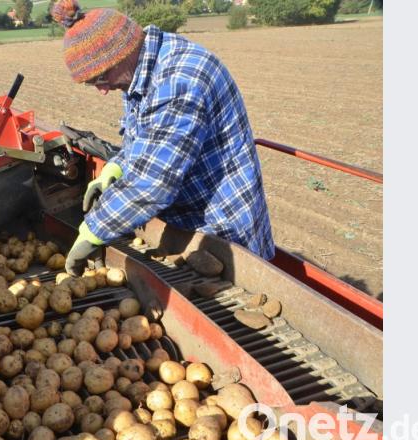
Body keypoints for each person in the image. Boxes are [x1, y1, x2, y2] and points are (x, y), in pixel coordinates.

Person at [50, 0, 276, 275]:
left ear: (120, 53)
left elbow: (153, 182)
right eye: (93, 83)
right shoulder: (143, 67)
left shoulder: (181, 80)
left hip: (222, 227)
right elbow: (145, 138)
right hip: (188, 219)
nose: (103, 90)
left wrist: (94, 231)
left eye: (101, 78)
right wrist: (118, 166)